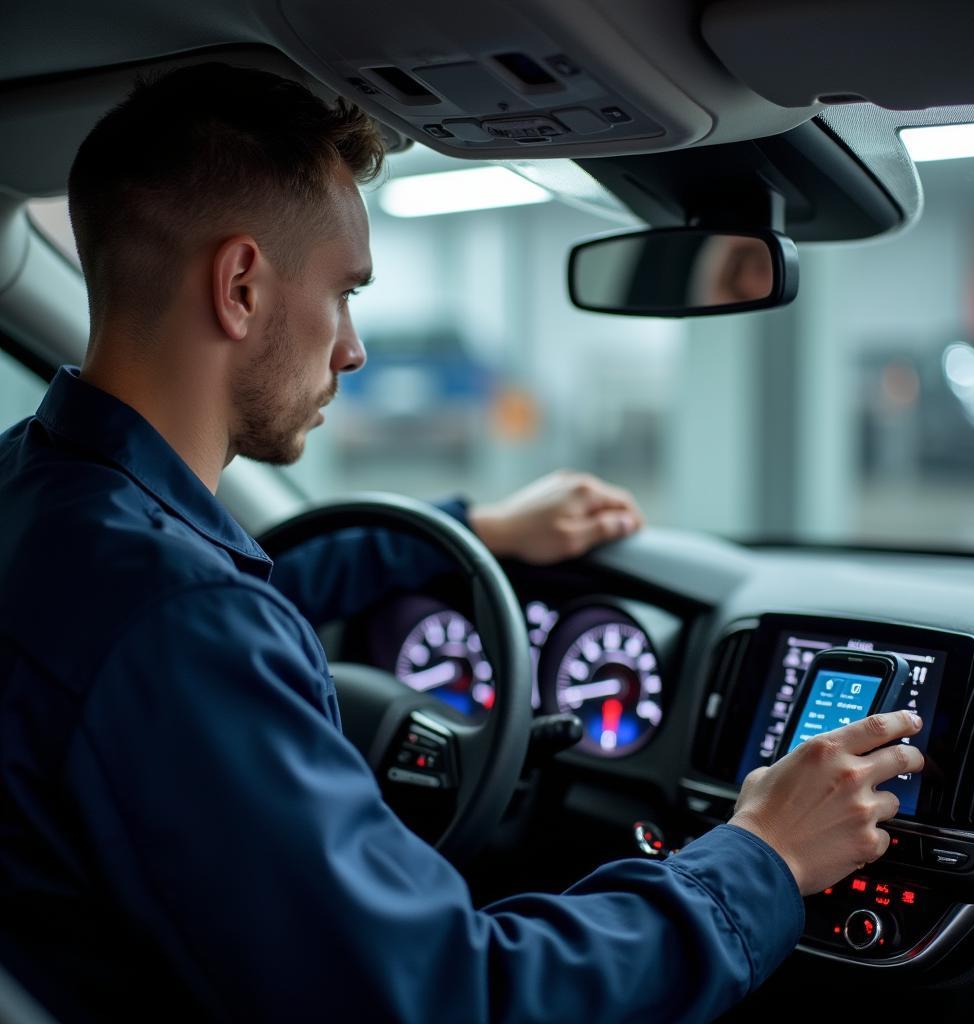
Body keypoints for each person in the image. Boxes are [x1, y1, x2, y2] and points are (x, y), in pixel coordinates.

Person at [0, 63, 925, 1023]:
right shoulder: (180, 626)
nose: (352, 348)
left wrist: (475, 532)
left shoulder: (44, 501)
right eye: (345, 292)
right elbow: (452, 996)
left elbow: (252, 578)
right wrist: (763, 859)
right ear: (240, 286)